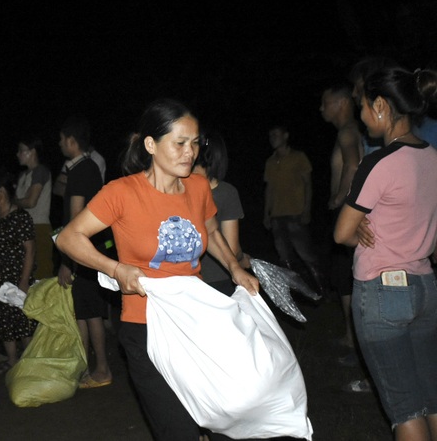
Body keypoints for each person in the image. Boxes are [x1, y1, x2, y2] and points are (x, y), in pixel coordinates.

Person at [56, 99, 259, 440]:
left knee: (224, 419)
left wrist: (235, 269)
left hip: (196, 321)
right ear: (151, 145)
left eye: (195, 143)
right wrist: (117, 269)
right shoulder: (121, 192)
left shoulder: (196, 186)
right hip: (147, 327)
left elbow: (210, 232)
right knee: (176, 429)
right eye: (179, 143)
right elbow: (68, 238)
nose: (189, 152)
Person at [334, 66, 437, 441]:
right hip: (425, 286)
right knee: (431, 397)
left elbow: (342, 232)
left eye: (362, 106)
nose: (361, 116)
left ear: (380, 105)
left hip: (383, 292)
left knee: (405, 407)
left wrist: (361, 221)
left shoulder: (378, 161)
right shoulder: (433, 157)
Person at [56, 115, 113, 389]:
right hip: (92, 248)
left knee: (90, 313)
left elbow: (76, 219)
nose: (59, 144)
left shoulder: (81, 171)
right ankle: (87, 367)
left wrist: (68, 260)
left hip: (85, 251)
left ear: (71, 141)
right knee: (84, 312)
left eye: (61, 140)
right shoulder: (87, 168)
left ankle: (102, 369)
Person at [0, 164, 37, 375]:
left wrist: (24, 281)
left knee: (22, 322)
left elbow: (30, 251)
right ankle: (13, 360)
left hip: (15, 277)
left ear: (1, 192)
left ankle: (30, 362)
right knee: (3, 322)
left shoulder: (21, 217)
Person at [320, 82, 364, 351]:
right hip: (352, 210)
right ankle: (352, 338)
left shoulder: (347, 131)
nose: (321, 108)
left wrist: (338, 199)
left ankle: (355, 341)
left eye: (326, 102)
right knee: (345, 277)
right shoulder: (349, 131)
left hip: (348, 211)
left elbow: (353, 162)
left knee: (346, 278)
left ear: (342, 103)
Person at [262, 124, 326, 295]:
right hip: (277, 214)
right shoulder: (270, 161)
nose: (273, 138)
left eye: (276, 134)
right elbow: (269, 189)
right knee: (284, 257)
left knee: (305, 254)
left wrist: (307, 209)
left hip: (295, 213)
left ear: (285, 136)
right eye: (271, 135)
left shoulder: (298, 157)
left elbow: (308, 184)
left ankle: (321, 289)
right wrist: (266, 213)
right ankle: (296, 292)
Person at [193, 129, 251, 296]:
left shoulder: (176, 187)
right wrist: (242, 259)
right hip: (219, 279)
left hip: (185, 280)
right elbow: (232, 248)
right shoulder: (226, 192)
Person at [14, 137, 54, 279]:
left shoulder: (40, 171)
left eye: (21, 151)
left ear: (32, 152)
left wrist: (12, 202)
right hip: (24, 227)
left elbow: (31, 202)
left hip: (38, 226)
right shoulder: (23, 175)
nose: (18, 154)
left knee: (41, 272)